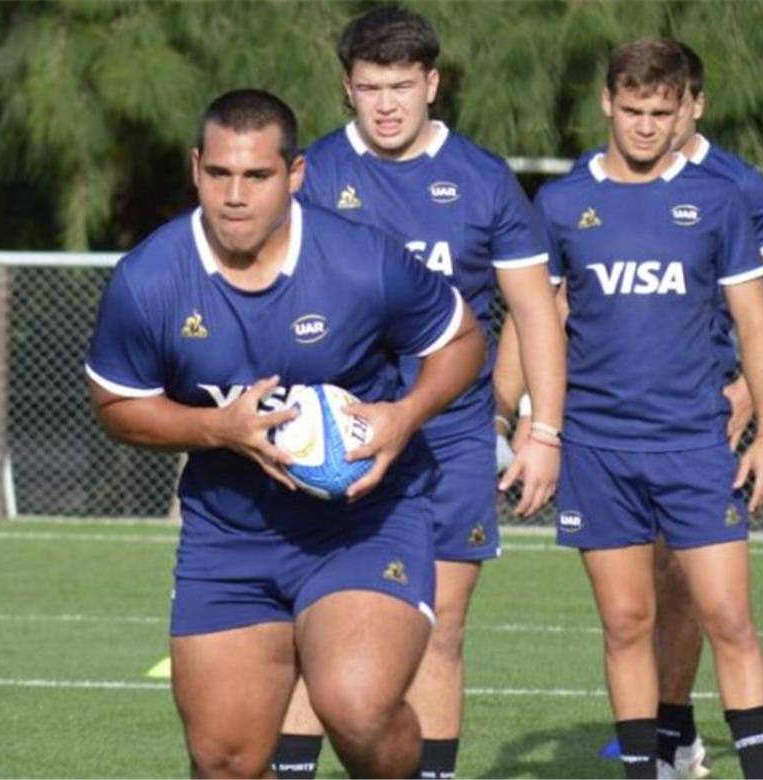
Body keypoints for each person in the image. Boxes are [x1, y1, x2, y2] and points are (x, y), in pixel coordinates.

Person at [84, 89, 484, 779]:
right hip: (231, 536)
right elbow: (117, 404)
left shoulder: (362, 261)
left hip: (363, 523)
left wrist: (405, 414)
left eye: (258, 176)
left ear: (295, 174)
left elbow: (460, 339)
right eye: (220, 175)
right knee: (224, 762)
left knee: (355, 706)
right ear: (196, 168)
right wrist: (216, 427)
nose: (236, 195)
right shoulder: (149, 280)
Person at [495, 39, 763, 780]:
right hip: (598, 450)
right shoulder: (567, 200)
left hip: (695, 442)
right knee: (628, 621)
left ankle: (737, 762)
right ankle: (658, 758)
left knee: (726, 615)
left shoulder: (724, 196)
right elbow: (533, 313)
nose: (645, 125)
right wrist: (508, 421)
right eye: (632, 109)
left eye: (660, 112)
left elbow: (762, 312)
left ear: (688, 108)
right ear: (608, 102)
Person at [269, 7, 567, 780]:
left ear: (432, 83)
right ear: (348, 89)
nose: (387, 104)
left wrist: (543, 434)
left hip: (453, 438)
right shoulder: (315, 175)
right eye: (370, 88)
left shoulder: (481, 179)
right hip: (335, 437)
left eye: (402, 85)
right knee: (317, 624)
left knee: (442, 630)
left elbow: (534, 309)